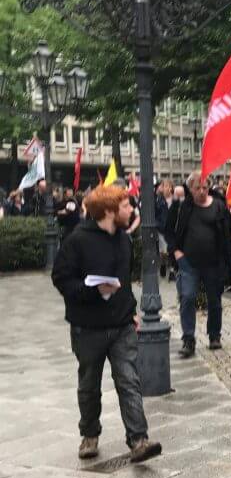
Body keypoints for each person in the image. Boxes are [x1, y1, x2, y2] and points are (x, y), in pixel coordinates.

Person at [51, 184, 162, 463]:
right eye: (125, 206)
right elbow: (61, 278)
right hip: (87, 327)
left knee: (129, 381)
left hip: (122, 324)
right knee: (89, 384)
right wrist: (92, 292)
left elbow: (123, 281)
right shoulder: (77, 240)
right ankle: (89, 434)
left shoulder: (124, 240)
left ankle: (138, 440)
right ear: (110, 211)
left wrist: (131, 309)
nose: (131, 210)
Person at [167, 172, 231, 358]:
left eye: (205, 187)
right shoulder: (185, 208)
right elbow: (170, 230)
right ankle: (188, 339)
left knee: (214, 301)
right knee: (188, 298)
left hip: (214, 262)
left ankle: (214, 335)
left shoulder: (218, 206)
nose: (201, 191)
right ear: (190, 189)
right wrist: (176, 252)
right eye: (197, 188)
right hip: (189, 262)